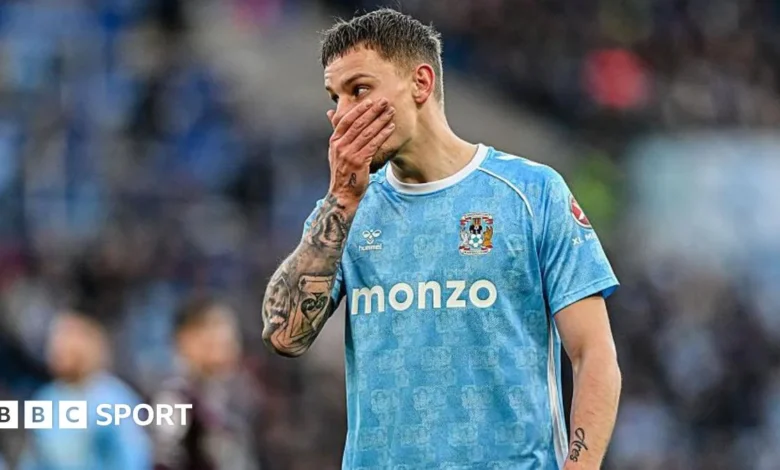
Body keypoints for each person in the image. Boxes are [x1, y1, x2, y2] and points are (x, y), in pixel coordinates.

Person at [261, 8, 621, 470]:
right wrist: (342, 202)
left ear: (421, 83)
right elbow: (283, 336)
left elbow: (593, 354)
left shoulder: (531, 192)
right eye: (336, 97)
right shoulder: (345, 211)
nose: (343, 115)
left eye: (359, 90)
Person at [19, 311, 151, 470]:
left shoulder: (114, 399)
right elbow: (34, 460)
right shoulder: (46, 399)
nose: (60, 346)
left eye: (70, 337)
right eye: (56, 340)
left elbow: (133, 459)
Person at [151, 296, 259, 470]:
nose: (228, 345)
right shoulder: (175, 398)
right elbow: (162, 459)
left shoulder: (232, 395)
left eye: (231, 339)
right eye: (214, 338)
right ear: (186, 339)